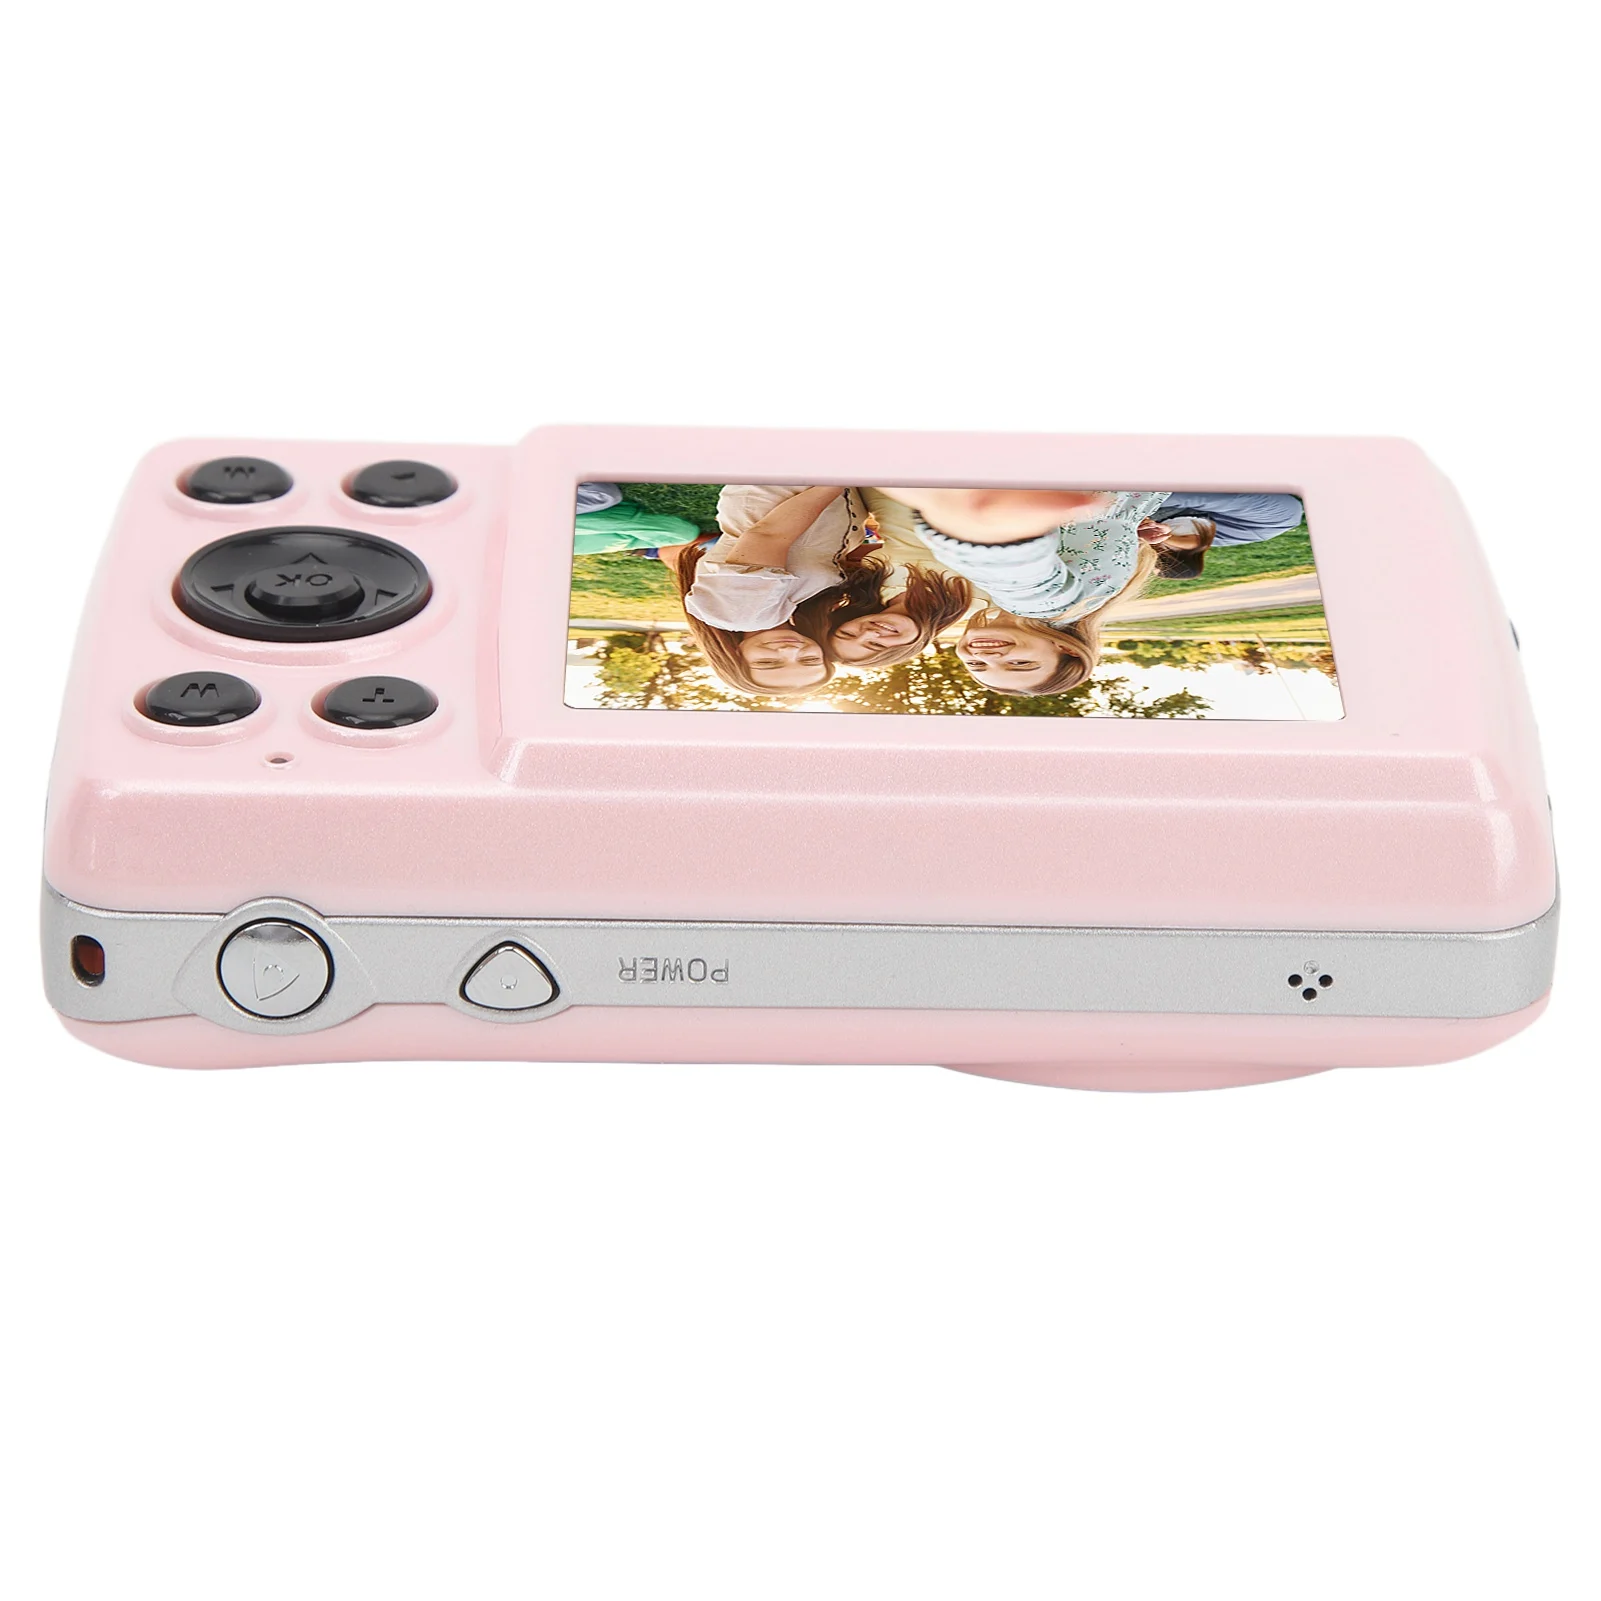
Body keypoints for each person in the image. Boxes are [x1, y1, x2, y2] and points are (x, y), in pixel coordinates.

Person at [888, 488, 1167, 697]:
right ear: (1067, 649)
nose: (988, 657)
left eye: (977, 665)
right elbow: (1014, 568)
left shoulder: (1084, 605)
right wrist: (977, 528)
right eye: (1020, 663)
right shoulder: (1040, 605)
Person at [670, 484, 872, 696]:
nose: (790, 651)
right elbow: (828, 555)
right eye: (809, 660)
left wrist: (836, 482)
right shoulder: (792, 615)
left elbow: (768, 535)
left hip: (789, 485)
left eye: (768, 662)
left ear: (736, 655)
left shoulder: (740, 616)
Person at [1137, 492, 1305, 580]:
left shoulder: (1197, 543)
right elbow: (1193, 499)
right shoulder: (1192, 545)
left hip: (1193, 518)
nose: (1151, 561)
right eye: (1156, 564)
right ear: (1176, 561)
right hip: (1277, 516)